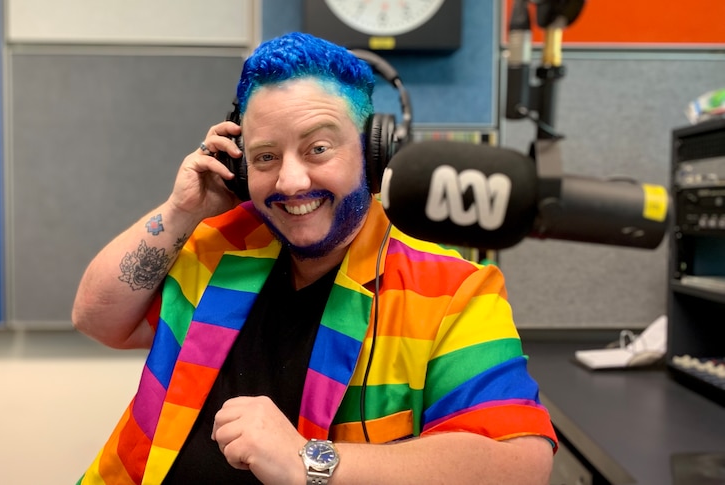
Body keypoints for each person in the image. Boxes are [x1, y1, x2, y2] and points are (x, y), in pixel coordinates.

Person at [72, 32, 557, 485]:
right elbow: (98, 318)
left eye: (318, 149)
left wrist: (310, 461)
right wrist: (182, 211)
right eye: (265, 157)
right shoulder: (218, 244)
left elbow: (521, 461)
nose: (290, 182)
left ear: (373, 153)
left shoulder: (449, 290)